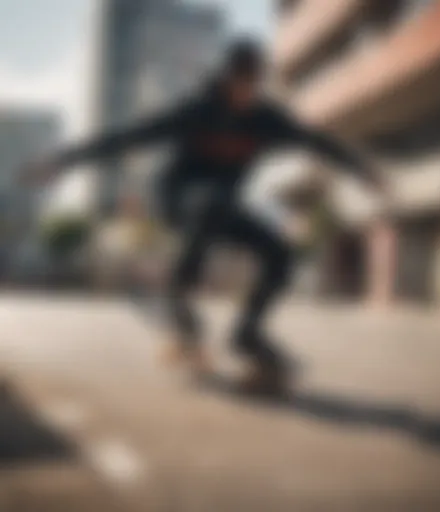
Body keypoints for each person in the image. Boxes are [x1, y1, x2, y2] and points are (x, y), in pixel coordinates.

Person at [26, 38, 385, 393]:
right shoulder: (197, 111)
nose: (244, 94)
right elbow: (127, 137)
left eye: (252, 85)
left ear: (259, 83)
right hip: (177, 202)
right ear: (226, 78)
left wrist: (362, 169)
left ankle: (247, 336)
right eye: (238, 84)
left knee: (279, 253)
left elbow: (315, 140)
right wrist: (61, 162)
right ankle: (182, 309)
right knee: (212, 201)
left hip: (222, 209)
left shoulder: (266, 119)